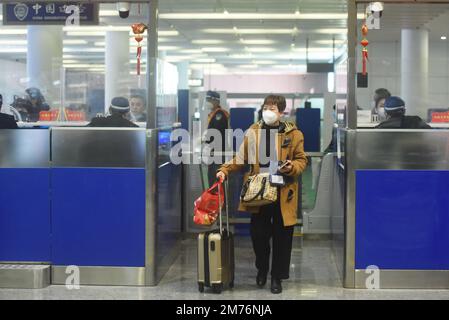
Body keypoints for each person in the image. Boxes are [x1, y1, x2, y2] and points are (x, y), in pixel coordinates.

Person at [216, 95, 308, 294]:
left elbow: (302, 160)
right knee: (259, 235)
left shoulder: (293, 133)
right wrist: (224, 169)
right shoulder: (253, 131)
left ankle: (277, 277)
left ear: (281, 112)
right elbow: (240, 158)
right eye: (266, 107)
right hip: (258, 191)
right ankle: (262, 268)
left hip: (284, 192)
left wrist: (292, 166)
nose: (268, 110)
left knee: (283, 238)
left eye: (273, 108)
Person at [204, 90, 229, 187]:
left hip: (217, 152)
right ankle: (214, 200)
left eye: (208, 99)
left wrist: (205, 139)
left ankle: (217, 200)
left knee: (216, 179)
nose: (207, 102)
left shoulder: (220, 115)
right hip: (214, 152)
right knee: (212, 177)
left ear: (215, 101)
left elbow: (215, 133)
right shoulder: (214, 114)